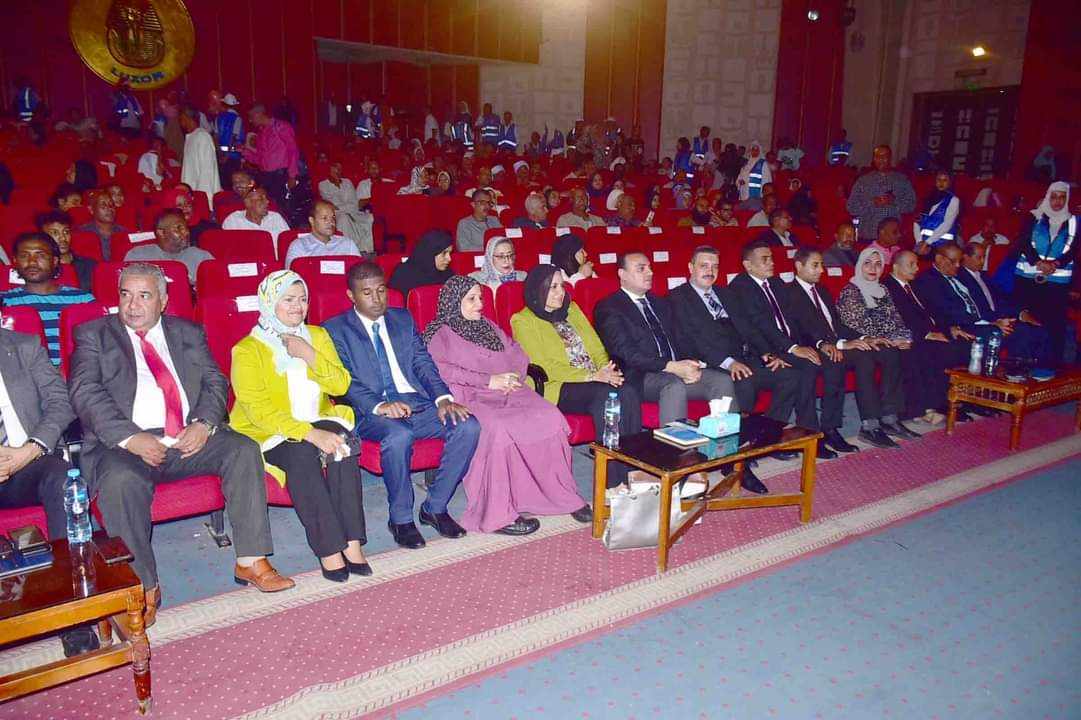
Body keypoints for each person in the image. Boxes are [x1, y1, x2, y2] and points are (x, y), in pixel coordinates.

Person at [69, 263, 294, 627]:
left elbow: (215, 381)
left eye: (144, 296)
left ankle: (251, 560)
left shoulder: (186, 331)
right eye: (125, 294)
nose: (132, 305)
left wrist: (204, 423)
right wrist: (131, 437)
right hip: (124, 444)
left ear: (163, 301)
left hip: (186, 434)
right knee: (120, 482)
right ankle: (143, 586)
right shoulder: (94, 334)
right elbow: (85, 392)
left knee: (242, 449)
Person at [324, 262, 480, 548]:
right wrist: (379, 405)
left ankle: (435, 507)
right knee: (399, 435)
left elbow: (422, 363)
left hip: (415, 403)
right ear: (351, 296)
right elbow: (345, 380)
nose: (376, 299)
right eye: (367, 293)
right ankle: (400, 518)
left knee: (468, 426)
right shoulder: (335, 330)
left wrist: (443, 399)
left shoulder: (402, 319)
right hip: (370, 412)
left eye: (381, 290)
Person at [229, 271, 370, 581]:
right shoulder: (247, 349)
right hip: (270, 430)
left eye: (303, 299)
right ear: (270, 303)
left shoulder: (317, 336)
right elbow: (258, 411)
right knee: (302, 454)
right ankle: (328, 549)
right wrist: (309, 433)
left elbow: (341, 384)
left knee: (343, 445)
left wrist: (309, 354)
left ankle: (351, 542)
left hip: (316, 415)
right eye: (288, 300)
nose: (298, 307)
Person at [423, 276, 589, 534]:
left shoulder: (487, 325)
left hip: (508, 389)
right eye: (471, 299)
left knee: (550, 417)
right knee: (499, 429)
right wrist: (488, 380)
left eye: (481, 298)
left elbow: (517, 352)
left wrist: (511, 377)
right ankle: (498, 514)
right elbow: (440, 371)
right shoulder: (439, 334)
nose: (480, 304)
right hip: (470, 396)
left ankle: (563, 496)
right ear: (454, 302)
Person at [0, 324, 103, 656]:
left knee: (61, 478)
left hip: (27, 460)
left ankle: (74, 615)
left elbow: (61, 402)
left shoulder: (25, 346)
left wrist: (30, 450)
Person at [512, 265, 642, 488]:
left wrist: (606, 370)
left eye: (562, 286)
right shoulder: (522, 320)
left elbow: (596, 347)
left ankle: (634, 470)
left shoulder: (572, 309)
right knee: (604, 397)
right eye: (552, 287)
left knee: (628, 391)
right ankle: (612, 483)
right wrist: (592, 376)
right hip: (558, 385)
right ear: (537, 290)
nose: (560, 292)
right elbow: (544, 366)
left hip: (595, 378)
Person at [668, 245, 802, 460]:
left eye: (715, 266)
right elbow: (690, 340)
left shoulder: (726, 293)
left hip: (744, 357)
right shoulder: (678, 298)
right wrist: (728, 362)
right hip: (712, 363)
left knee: (789, 376)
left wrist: (766, 353)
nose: (710, 271)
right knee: (744, 382)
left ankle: (768, 439)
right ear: (691, 267)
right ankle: (737, 452)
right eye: (704, 266)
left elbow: (748, 328)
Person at [781, 247, 912, 448]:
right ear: (799, 266)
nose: (821, 270)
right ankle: (832, 428)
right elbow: (801, 329)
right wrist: (836, 344)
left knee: (879, 352)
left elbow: (837, 325)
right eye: (815, 265)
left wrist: (864, 337)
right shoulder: (789, 293)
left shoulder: (821, 290)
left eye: (821, 265)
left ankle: (880, 421)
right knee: (846, 360)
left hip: (833, 342)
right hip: (813, 347)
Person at [594, 252, 738, 428]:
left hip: (674, 369)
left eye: (649, 268)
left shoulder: (660, 302)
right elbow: (626, 353)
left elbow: (680, 338)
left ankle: (727, 439)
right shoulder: (609, 307)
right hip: (639, 377)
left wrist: (691, 362)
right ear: (622, 274)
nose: (650, 272)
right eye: (641, 269)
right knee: (672, 385)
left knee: (721, 380)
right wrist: (671, 367)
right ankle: (675, 444)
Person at [724, 242, 836, 459]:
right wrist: (792, 348)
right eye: (765, 259)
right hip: (766, 349)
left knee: (825, 362)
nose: (772, 263)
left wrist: (818, 342)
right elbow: (759, 325)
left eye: (771, 258)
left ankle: (798, 435)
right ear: (748, 265)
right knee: (805, 368)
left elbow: (797, 317)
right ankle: (803, 435)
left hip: (788, 344)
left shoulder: (775, 283)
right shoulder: (741, 287)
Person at [916, 244, 1049, 364]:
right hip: (962, 326)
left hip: (979, 323)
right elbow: (949, 311)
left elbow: (993, 300)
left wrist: (1013, 316)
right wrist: (990, 323)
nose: (957, 265)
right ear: (939, 259)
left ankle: (1037, 373)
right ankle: (1016, 374)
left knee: (1030, 330)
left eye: (959, 261)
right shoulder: (929, 280)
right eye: (953, 261)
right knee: (1012, 332)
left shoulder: (956, 276)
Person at [884, 250, 968, 424]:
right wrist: (926, 334)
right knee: (931, 350)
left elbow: (933, 311)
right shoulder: (887, 287)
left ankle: (952, 401)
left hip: (925, 332)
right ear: (896, 267)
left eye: (916, 264)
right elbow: (898, 319)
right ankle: (926, 407)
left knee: (959, 344)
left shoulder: (913, 286)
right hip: (906, 335)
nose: (916, 268)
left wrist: (949, 328)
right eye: (911, 264)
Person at [1, 233, 95, 366]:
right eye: (24, 256)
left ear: (55, 261)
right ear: (15, 261)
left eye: (40, 255)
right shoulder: (4, 302)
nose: (32, 262)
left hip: (77, 371)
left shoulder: (84, 300)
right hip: (23, 373)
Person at [1012, 181, 1077, 365]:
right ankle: (1022, 364)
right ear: (1048, 197)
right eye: (1054, 197)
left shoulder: (1074, 221)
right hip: (1028, 278)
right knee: (1027, 323)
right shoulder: (1034, 216)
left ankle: (1050, 367)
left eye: (1062, 197)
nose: (1058, 201)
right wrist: (1038, 262)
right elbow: (1023, 242)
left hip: (1057, 282)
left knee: (1054, 326)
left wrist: (1056, 263)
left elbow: (1074, 247)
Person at [846, 145, 916, 242]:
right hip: (868, 236)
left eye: (884, 156)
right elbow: (851, 207)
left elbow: (912, 205)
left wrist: (894, 201)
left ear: (890, 158)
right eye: (877, 156)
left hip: (892, 239)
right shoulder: (863, 181)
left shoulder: (902, 180)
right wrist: (872, 202)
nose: (881, 159)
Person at [125, 208, 214, 284]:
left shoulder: (201, 257)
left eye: (186, 228)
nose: (186, 232)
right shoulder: (138, 256)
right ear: (161, 233)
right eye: (179, 228)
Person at [242, 104, 300, 208]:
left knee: (282, 207)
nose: (250, 121)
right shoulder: (261, 133)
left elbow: (293, 151)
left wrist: (292, 175)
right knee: (269, 207)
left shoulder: (281, 126)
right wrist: (245, 152)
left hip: (281, 175)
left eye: (251, 117)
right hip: (266, 177)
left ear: (258, 114)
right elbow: (260, 159)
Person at [283, 201, 361, 269]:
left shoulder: (347, 244)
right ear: (312, 221)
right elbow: (291, 276)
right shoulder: (299, 246)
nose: (331, 222)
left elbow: (360, 273)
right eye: (324, 218)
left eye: (333, 217)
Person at [318, 161, 374, 253]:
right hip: (337, 214)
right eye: (335, 168)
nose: (338, 171)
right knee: (344, 219)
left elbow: (354, 203)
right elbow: (332, 206)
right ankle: (348, 251)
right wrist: (345, 207)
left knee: (370, 218)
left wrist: (342, 207)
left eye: (340, 169)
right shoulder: (323, 185)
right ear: (329, 169)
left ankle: (366, 249)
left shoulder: (347, 182)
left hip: (353, 212)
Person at [38, 210, 96, 291]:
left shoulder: (89, 265)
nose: (63, 238)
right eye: (55, 233)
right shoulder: (39, 268)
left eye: (66, 232)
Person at [388, 229, 454, 297]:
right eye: (444, 253)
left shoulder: (448, 275)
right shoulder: (403, 275)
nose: (449, 259)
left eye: (450, 253)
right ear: (430, 252)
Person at [222, 186, 291, 245]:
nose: (267, 201)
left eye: (266, 198)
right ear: (247, 203)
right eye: (261, 199)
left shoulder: (276, 218)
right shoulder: (233, 220)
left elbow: (288, 243)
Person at [913, 171, 960, 255]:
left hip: (943, 245)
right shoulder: (926, 198)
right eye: (939, 179)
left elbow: (947, 224)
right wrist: (919, 241)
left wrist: (927, 242)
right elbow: (917, 221)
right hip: (922, 244)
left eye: (945, 180)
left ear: (950, 183)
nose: (941, 183)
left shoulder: (953, 200)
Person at [179, 107, 222, 198]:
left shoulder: (202, 136)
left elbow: (207, 170)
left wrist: (202, 196)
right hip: (192, 192)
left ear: (186, 117)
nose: (180, 122)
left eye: (181, 119)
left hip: (202, 194)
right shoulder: (191, 137)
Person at [77, 191, 127, 261]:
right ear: (91, 209)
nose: (109, 208)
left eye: (111, 204)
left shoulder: (124, 232)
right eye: (103, 205)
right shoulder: (82, 233)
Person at [736, 141, 771, 209]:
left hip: (756, 195)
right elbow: (740, 176)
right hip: (744, 192)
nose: (755, 152)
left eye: (756, 150)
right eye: (753, 150)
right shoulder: (746, 163)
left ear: (759, 151)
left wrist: (764, 195)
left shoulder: (763, 164)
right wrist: (739, 181)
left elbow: (767, 180)